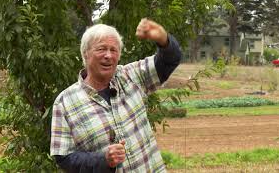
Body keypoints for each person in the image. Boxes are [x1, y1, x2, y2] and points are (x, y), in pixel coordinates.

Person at [50, 18, 182, 172]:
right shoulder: (65, 102)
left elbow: (169, 60)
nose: (108, 55)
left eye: (114, 50)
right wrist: (102, 159)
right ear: (85, 54)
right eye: (101, 49)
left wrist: (164, 40)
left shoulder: (130, 76)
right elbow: (64, 158)